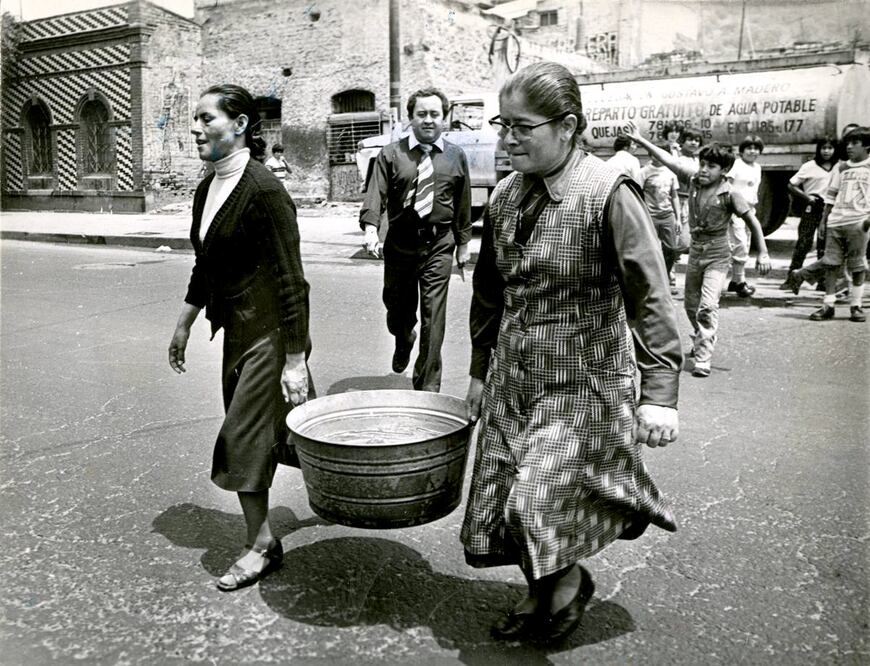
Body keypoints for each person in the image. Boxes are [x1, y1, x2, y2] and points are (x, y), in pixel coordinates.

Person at [461, 61, 682, 644]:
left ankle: (569, 584)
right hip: (515, 373)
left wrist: (660, 395)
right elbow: (489, 291)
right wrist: (480, 372)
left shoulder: (609, 193)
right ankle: (540, 593)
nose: (507, 139)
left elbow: (650, 295)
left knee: (540, 495)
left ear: (568, 126)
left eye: (522, 127)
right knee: (506, 492)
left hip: (583, 378)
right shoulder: (507, 194)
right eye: (500, 124)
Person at [168, 84, 313, 591]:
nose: (195, 129)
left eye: (206, 119)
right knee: (279, 434)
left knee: (242, 439)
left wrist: (295, 359)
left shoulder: (264, 191)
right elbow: (206, 265)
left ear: (241, 124)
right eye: (195, 119)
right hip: (238, 333)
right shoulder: (208, 189)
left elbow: (292, 280)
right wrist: (185, 322)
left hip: (271, 337)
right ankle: (328, 496)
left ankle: (261, 545)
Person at [626, 124, 771, 377]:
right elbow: (667, 159)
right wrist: (640, 139)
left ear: (724, 171)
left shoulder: (731, 194)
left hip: (718, 254)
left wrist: (763, 253)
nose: (704, 170)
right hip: (696, 253)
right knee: (691, 306)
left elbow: (753, 223)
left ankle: (703, 355)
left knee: (707, 306)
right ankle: (702, 337)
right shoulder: (692, 180)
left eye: (711, 167)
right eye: (702, 164)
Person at [359, 87, 472, 392]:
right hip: (400, 244)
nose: (428, 120)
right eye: (421, 114)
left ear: (443, 119)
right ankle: (403, 336)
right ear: (410, 118)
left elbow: (462, 201)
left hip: (439, 244)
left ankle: (427, 387)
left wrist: (463, 243)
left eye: (435, 114)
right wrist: (371, 228)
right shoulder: (390, 154)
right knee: (397, 310)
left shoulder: (455, 155)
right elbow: (376, 195)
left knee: (434, 316)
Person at [804, 126, 870, 322]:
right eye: (847, 143)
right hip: (836, 222)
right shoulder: (840, 167)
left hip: (858, 223)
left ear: (867, 146)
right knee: (831, 264)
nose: (849, 147)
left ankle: (855, 306)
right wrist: (825, 221)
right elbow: (830, 197)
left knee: (857, 265)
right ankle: (828, 305)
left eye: (854, 143)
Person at [779, 137, 837, 289]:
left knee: (824, 245)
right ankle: (791, 279)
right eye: (823, 148)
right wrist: (807, 197)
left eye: (830, 148)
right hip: (813, 206)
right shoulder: (809, 166)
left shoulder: (839, 166)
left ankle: (822, 281)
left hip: (831, 208)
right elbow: (791, 185)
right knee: (804, 242)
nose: (826, 151)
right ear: (818, 149)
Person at [725, 135, 764, 297]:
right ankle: (739, 282)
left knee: (745, 244)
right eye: (749, 148)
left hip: (749, 210)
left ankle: (736, 281)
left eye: (756, 148)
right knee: (739, 244)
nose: (752, 151)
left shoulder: (758, 167)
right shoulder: (736, 164)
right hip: (736, 210)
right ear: (742, 150)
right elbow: (727, 183)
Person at [640, 145, 682, 276]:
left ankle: (666, 275)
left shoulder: (670, 172)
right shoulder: (643, 172)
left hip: (667, 215)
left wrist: (678, 219)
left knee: (672, 249)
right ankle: (651, 278)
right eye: (654, 154)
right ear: (650, 154)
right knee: (649, 249)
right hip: (649, 215)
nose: (657, 157)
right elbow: (638, 194)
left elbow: (674, 196)